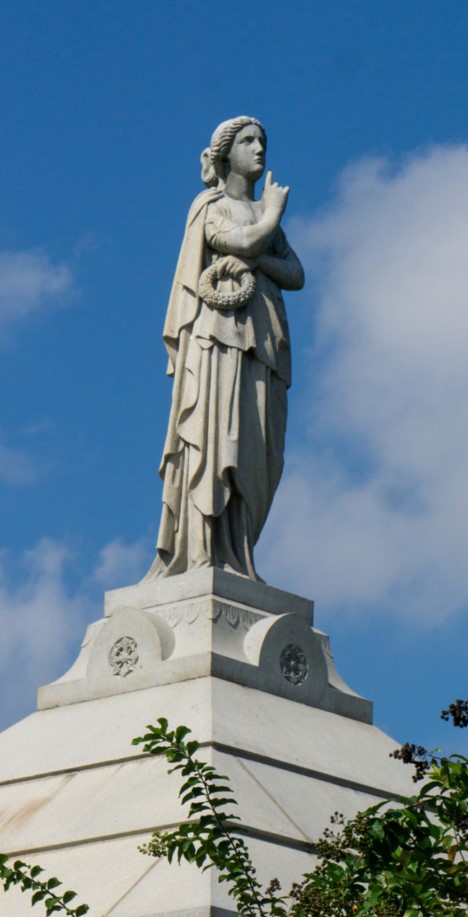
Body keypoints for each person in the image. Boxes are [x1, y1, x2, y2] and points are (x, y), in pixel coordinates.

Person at [146, 116, 304, 581]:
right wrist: (271, 216)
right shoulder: (210, 205)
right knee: (219, 442)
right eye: (249, 141)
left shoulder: (263, 220)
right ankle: (205, 553)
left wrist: (260, 250)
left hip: (263, 347)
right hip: (218, 345)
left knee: (261, 452)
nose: (260, 149)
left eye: (263, 141)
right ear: (225, 154)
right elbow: (235, 240)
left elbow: (295, 274)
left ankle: (240, 554)